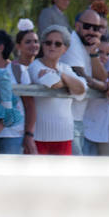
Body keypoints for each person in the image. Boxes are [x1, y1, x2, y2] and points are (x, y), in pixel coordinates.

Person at [28, 24, 87, 154]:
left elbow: (82, 89)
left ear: (65, 49)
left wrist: (61, 75)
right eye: (48, 43)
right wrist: (68, 83)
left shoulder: (65, 68)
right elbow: (52, 83)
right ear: (43, 45)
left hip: (65, 135)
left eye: (58, 44)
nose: (52, 46)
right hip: (39, 136)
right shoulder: (35, 66)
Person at [65, 8, 104, 154]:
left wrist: (94, 54)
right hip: (69, 120)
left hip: (80, 119)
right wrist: (107, 88)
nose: (92, 32)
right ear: (78, 26)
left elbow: (102, 77)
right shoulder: (72, 42)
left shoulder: (87, 46)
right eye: (88, 26)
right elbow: (82, 78)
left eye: (97, 28)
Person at [82, 33, 109, 156]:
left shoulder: (107, 69)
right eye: (100, 52)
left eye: (108, 53)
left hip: (102, 131)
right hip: (85, 129)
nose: (104, 57)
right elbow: (102, 83)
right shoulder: (85, 69)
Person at [12, 23, 42, 154]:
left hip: (43, 125)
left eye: (36, 41)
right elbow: (27, 103)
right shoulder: (13, 68)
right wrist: (28, 133)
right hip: (22, 128)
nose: (33, 45)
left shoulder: (43, 67)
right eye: (28, 42)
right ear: (18, 46)